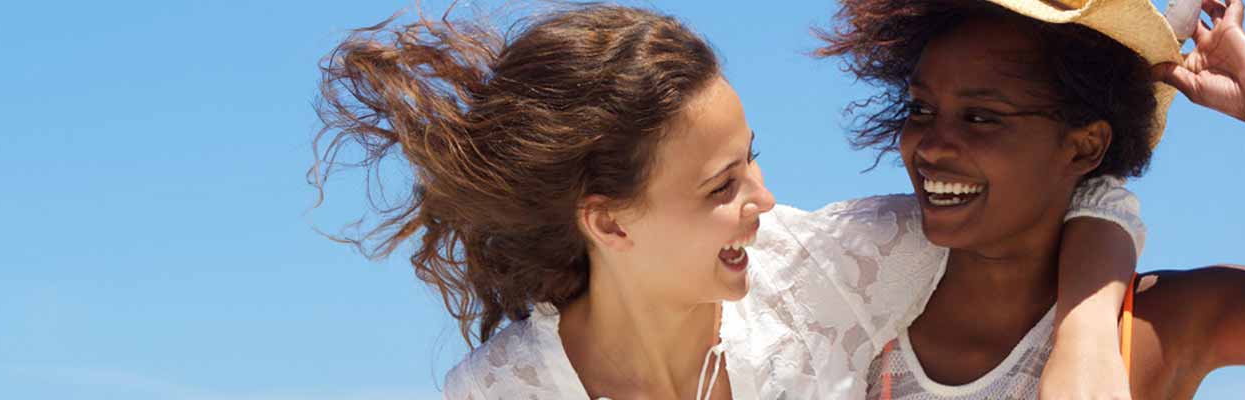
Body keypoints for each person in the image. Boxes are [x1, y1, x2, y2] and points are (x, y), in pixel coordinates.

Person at [311, 3, 1144, 399]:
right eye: (722, 188)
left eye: (751, 163)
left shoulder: (830, 272)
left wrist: (1087, 334)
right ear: (607, 220)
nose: (765, 200)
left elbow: (1071, 200)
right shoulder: (503, 392)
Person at [816, 0, 1245, 398]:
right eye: (922, 109)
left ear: (1084, 147)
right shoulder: (852, 308)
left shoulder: (1157, 328)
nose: (932, 145)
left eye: (981, 117)